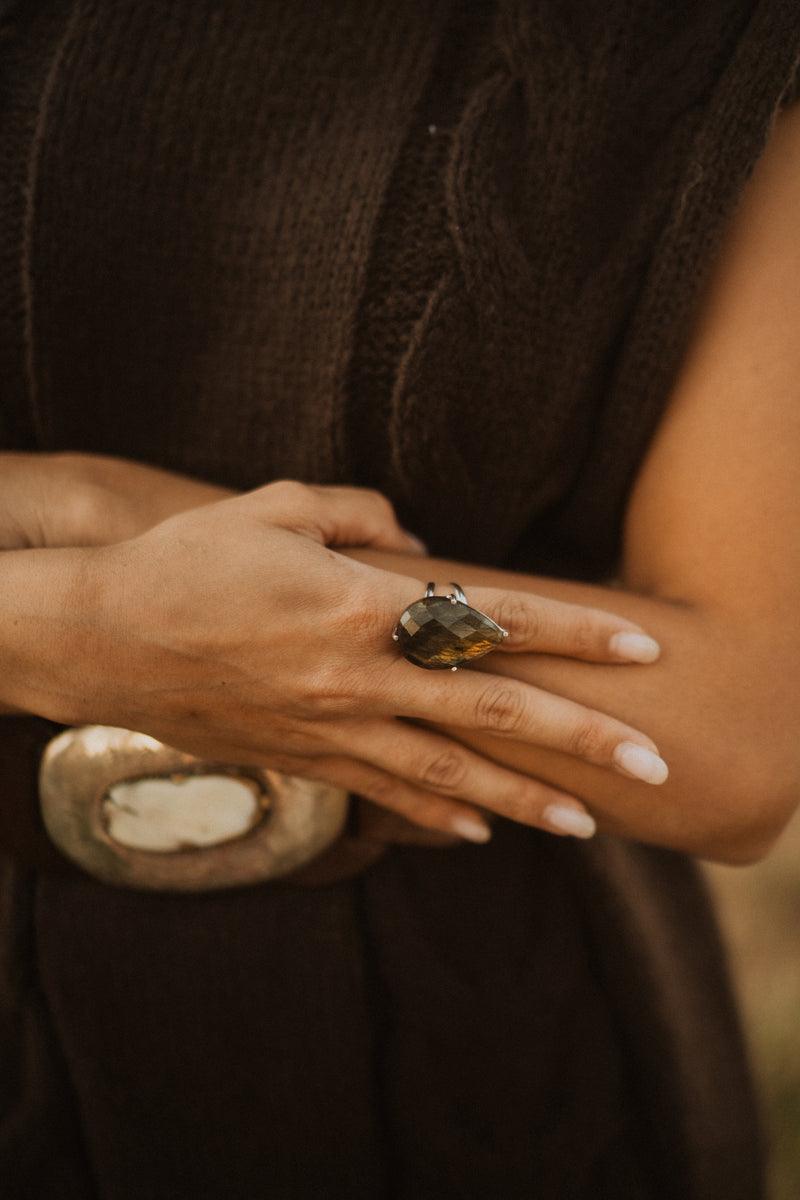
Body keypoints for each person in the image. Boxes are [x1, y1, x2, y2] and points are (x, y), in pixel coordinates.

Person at [1, 1, 799, 1196]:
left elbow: (733, 739)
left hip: (492, 1071)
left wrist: (118, 524)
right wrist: (51, 628)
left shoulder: (697, 40)